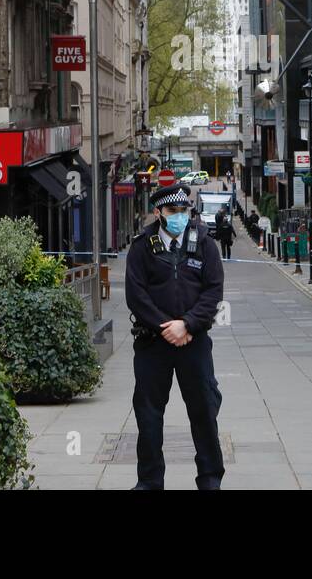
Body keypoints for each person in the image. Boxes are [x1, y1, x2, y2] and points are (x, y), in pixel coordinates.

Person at [124, 183, 226, 490]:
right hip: (152, 344)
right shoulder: (142, 246)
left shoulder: (205, 244)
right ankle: (150, 481)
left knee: (204, 411)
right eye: (172, 211)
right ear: (158, 213)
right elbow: (136, 295)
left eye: (184, 210)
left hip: (194, 342)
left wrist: (188, 324)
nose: (180, 216)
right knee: (149, 416)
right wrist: (165, 327)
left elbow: (213, 291)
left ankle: (210, 480)